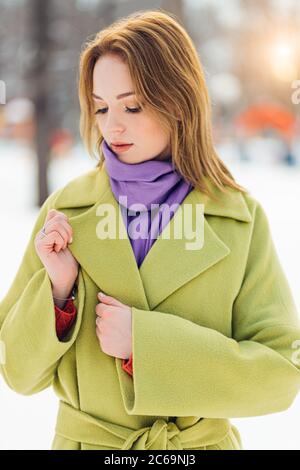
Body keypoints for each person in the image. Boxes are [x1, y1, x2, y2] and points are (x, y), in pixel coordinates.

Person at [1, 10, 300, 451]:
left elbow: (280, 377)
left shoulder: (238, 219)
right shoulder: (66, 212)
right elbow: (17, 373)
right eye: (101, 107)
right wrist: (59, 291)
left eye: (133, 105)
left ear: (177, 100)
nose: (112, 125)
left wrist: (147, 346)